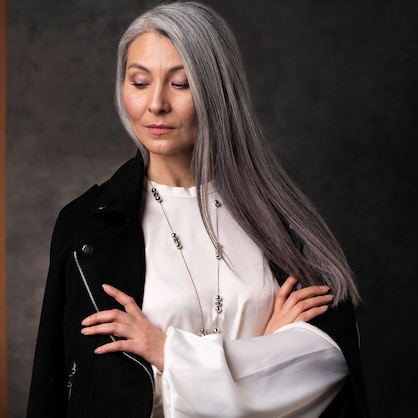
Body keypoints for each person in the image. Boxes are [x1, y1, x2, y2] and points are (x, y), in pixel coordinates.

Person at [26, 1, 369, 417]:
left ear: (217, 91)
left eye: (181, 83)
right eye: (138, 82)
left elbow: (324, 368)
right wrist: (264, 354)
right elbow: (67, 387)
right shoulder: (87, 228)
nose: (156, 104)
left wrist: (166, 352)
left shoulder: (286, 221)